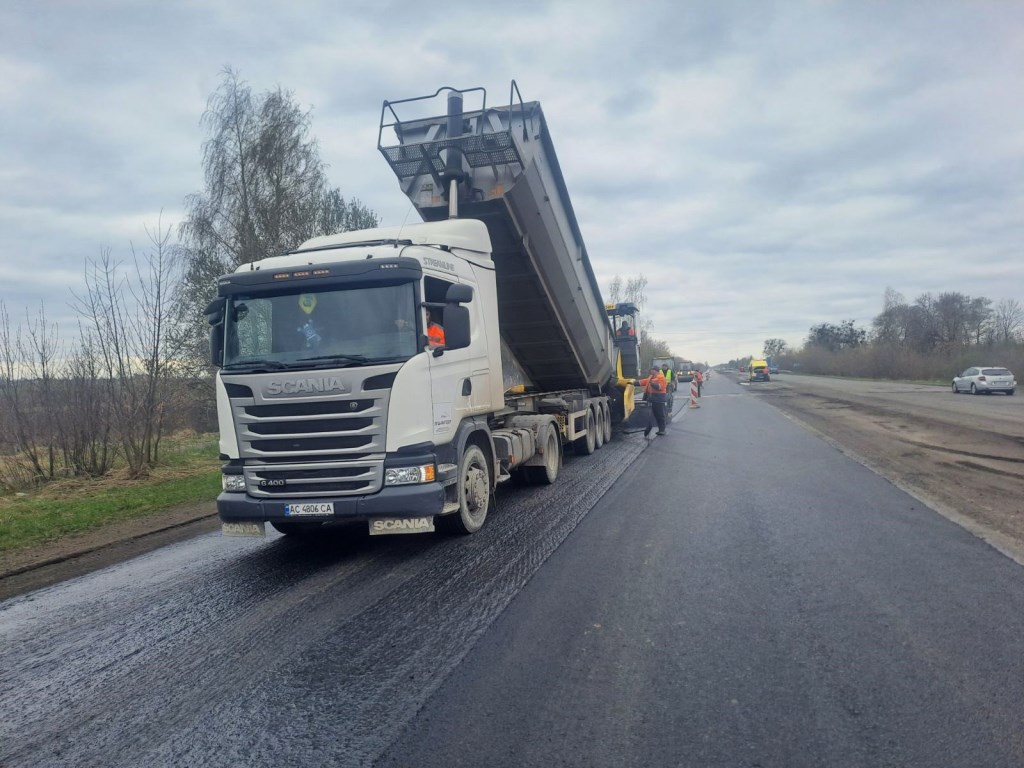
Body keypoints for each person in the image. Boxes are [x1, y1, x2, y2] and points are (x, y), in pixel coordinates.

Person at [636, 365, 668, 437]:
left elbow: (660, 387)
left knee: (660, 415)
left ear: (655, 371)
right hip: (652, 399)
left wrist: (652, 384)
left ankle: (662, 430)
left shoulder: (661, 377)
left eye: (652, 369)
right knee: (653, 415)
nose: (651, 371)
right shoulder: (651, 377)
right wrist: (633, 383)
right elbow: (643, 382)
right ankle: (655, 428)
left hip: (659, 399)